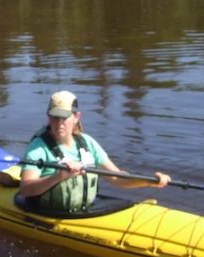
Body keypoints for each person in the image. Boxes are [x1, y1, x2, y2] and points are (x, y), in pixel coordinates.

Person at [19, 90, 171, 212]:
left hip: (82, 211)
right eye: (54, 117)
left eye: (64, 117)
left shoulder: (87, 143)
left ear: (76, 117)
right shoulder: (38, 148)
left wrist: (149, 181)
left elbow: (117, 179)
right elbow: (25, 189)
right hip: (44, 212)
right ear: (48, 116)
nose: (59, 123)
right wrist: (59, 176)